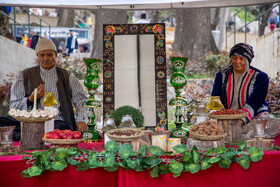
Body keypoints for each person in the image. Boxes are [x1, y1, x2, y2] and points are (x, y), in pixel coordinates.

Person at [0, 38, 88, 140]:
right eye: (42, 55)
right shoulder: (23, 75)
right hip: (29, 121)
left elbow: (81, 100)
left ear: (56, 55)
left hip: (57, 121)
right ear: (37, 56)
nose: (46, 58)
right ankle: (39, 136)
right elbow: (13, 106)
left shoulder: (67, 76)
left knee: (62, 129)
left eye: (49, 55)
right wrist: (30, 100)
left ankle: (26, 136)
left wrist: (81, 120)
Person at [211, 43, 279, 139]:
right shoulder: (221, 75)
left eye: (241, 59)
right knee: (209, 123)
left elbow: (256, 101)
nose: (237, 62)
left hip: (253, 116)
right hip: (227, 117)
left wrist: (241, 120)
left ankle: (239, 133)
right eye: (234, 58)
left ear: (247, 60)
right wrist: (222, 116)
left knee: (272, 123)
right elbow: (215, 98)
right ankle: (245, 134)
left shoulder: (260, 76)